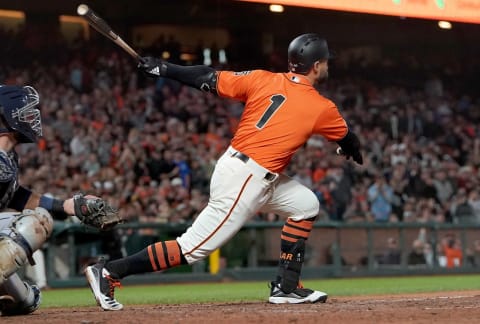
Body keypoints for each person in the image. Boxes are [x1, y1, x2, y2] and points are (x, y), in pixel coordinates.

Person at [85, 33, 363, 310]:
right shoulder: (321, 106)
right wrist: (351, 151)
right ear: (315, 66)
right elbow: (349, 138)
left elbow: (206, 77)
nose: (327, 66)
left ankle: (286, 287)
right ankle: (109, 271)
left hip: (249, 172)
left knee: (305, 204)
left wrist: (166, 69)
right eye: (325, 62)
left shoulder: (262, 78)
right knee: (192, 248)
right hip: (246, 178)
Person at [0, 85, 114, 316]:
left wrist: (65, 206)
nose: (32, 117)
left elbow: (17, 195)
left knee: (24, 301)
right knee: (33, 223)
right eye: (25, 111)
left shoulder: (8, 156)